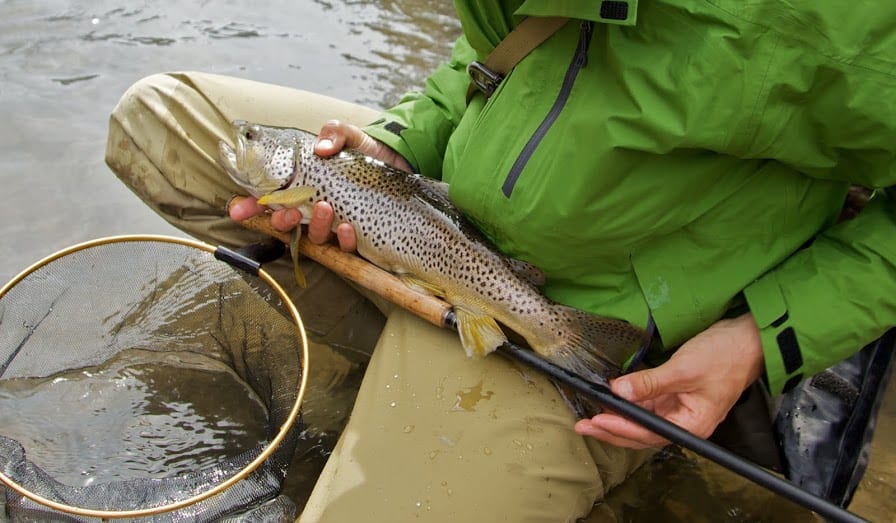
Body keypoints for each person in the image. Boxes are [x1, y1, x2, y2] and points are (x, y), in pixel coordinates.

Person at [107, 1, 896, 521]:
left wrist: (759, 336)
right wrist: (394, 145)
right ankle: (379, 337)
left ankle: (522, 421)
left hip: (585, 312)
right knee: (158, 120)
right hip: (446, 210)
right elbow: (494, 54)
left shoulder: (857, 30)